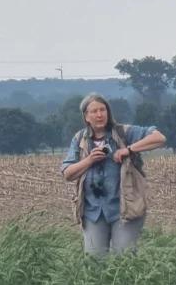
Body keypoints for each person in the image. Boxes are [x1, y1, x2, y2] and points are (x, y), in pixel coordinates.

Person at [61, 94, 166, 255]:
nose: (99, 115)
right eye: (94, 111)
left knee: (124, 260)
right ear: (86, 116)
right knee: (94, 262)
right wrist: (89, 160)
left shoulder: (123, 132)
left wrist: (128, 149)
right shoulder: (80, 139)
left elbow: (159, 138)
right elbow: (68, 174)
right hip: (93, 212)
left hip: (125, 209)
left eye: (102, 110)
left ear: (108, 112)